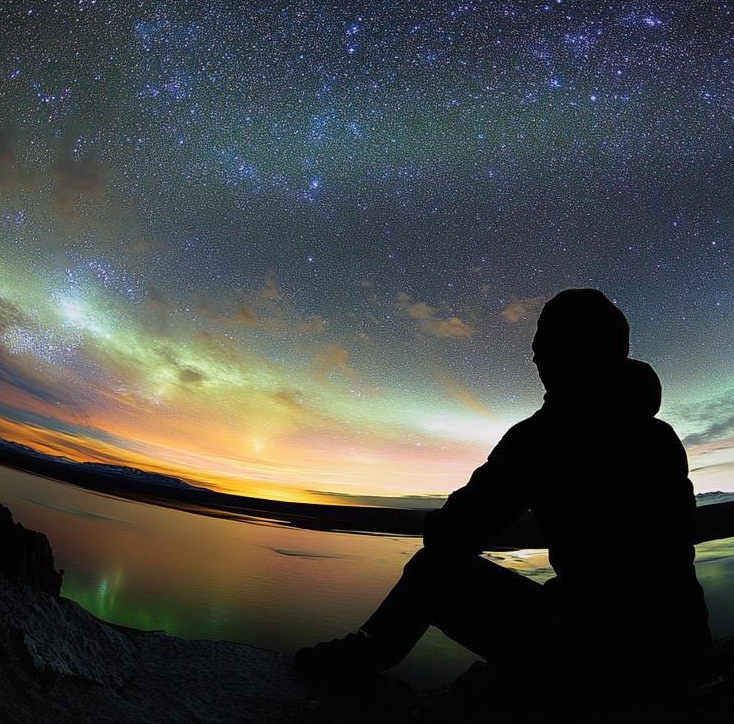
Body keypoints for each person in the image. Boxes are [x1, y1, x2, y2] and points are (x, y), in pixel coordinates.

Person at [296, 288, 710, 689]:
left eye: (545, 342)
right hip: (680, 647)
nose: (534, 355)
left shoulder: (547, 435)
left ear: (572, 351)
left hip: (602, 657)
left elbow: (454, 531)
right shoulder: (658, 434)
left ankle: (366, 653)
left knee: (432, 569)